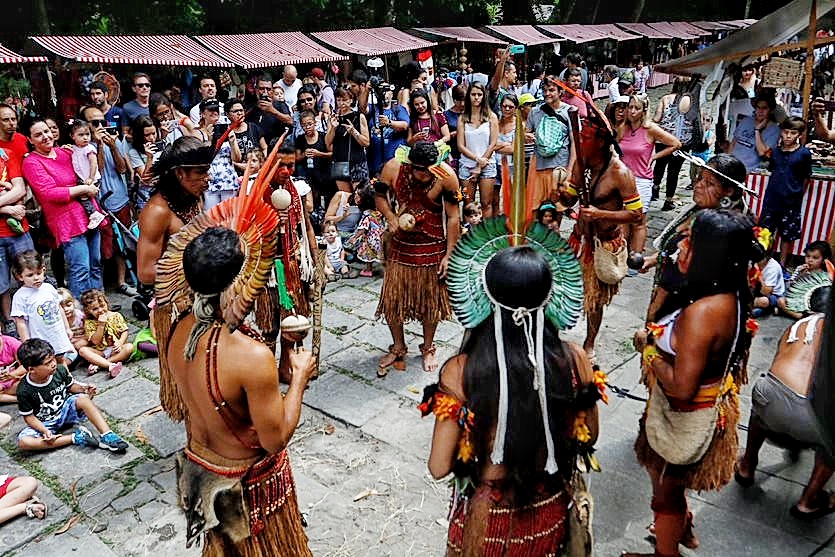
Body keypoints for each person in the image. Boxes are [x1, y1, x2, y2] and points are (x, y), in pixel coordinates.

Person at [423, 227, 599, 555]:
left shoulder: (461, 372)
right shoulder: (575, 360)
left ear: (484, 299)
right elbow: (588, 437)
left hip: (485, 524)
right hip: (548, 512)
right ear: (550, 296)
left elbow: (438, 466)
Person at [154, 204, 315, 554]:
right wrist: (299, 376)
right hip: (245, 483)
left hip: (201, 466)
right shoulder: (251, 357)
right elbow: (275, 440)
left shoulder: (178, 330)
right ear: (240, 281)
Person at [626, 209, 756, 557]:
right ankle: (681, 531)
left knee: (664, 493)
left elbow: (682, 387)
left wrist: (650, 349)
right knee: (668, 487)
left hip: (684, 414)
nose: (681, 247)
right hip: (686, 409)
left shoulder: (704, 313)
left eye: (691, 242)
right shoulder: (721, 293)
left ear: (711, 256)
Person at [736, 287, 834, 519]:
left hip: (771, 395)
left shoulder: (798, 325)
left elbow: (779, 361)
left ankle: (746, 466)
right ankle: (808, 501)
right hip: (812, 414)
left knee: (762, 404)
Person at [136, 136, 214, 421]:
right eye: (201, 173)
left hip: (203, 297)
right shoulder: (157, 212)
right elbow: (145, 272)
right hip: (175, 307)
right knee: (190, 384)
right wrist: (200, 269)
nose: (208, 178)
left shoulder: (194, 195)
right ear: (180, 174)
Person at [560, 110, 642, 359]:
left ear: (601, 142)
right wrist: (559, 194)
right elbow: (569, 198)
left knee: (594, 298)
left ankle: (589, 343)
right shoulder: (581, 164)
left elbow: (636, 215)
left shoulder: (620, 173)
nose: (581, 143)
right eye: (580, 137)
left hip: (603, 243)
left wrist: (600, 215)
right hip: (579, 239)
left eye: (585, 138)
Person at [375, 142, 460, 375]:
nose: (424, 174)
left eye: (428, 169)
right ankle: (399, 346)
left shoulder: (447, 175)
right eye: (419, 169)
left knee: (430, 301)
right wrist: (391, 216)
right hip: (400, 245)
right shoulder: (393, 167)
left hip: (432, 245)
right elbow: (379, 196)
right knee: (392, 299)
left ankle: (428, 346)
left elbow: (453, 217)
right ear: (410, 164)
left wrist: (449, 254)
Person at [644, 154, 749, 323]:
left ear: (728, 191)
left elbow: (675, 278)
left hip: (687, 315)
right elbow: (676, 251)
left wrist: (652, 319)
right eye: (700, 178)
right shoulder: (700, 211)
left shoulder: (719, 233)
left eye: (709, 183)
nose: (698, 185)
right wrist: (655, 259)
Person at [22, 119, 103, 298]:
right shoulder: (32, 163)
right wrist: (83, 189)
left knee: (96, 264)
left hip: (89, 214)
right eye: (38, 135)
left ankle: (100, 307)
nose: (45, 136)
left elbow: (86, 166)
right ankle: (80, 316)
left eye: (47, 131)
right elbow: (49, 193)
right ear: (30, 139)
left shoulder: (65, 152)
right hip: (66, 222)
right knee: (80, 268)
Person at [15, 338, 128, 453]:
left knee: (83, 399)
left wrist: (84, 389)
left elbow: (71, 386)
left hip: (65, 409)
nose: (53, 364)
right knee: (24, 442)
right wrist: (44, 431)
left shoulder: (59, 370)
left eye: (53, 359)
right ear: (31, 369)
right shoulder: (24, 389)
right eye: (47, 363)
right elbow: (29, 417)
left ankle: (107, 435)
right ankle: (76, 438)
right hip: (45, 422)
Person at [79, 105, 136, 297]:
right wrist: (100, 145)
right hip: (99, 203)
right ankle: (100, 288)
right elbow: (98, 170)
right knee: (104, 248)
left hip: (120, 199)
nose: (101, 126)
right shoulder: (82, 148)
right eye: (95, 123)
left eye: (103, 122)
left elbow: (121, 169)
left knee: (122, 244)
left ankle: (121, 281)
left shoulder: (115, 139)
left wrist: (112, 145)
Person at [618, 94, 681, 255]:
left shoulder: (650, 129)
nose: (632, 111)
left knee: (638, 220)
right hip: (622, 179)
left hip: (641, 180)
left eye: (636, 108)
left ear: (644, 110)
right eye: (630, 107)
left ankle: (636, 256)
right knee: (622, 219)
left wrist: (653, 157)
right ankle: (622, 255)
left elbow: (675, 143)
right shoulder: (622, 128)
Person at [759, 117, 812, 268]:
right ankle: (763, 264)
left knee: (786, 236)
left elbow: (806, 178)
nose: (788, 136)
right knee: (766, 234)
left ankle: (781, 265)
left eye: (793, 133)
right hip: (771, 200)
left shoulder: (804, 154)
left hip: (791, 202)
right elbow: (772, 170)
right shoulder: (775, 152)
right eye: (785, 132)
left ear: (799, 135)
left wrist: (797, 195)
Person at [10, 251, 76, 362]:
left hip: (56, 334)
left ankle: (67, 378)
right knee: (46, 362)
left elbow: (59, 308)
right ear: (20, 276)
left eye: (38, 273)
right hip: (40, 338)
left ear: (44, 270)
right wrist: (27, 343)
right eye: (30, 275)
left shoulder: (49, 288)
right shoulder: (20, 296)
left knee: (60, 359)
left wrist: (67, 328)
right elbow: (20, 322)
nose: (36, 278)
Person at [0, 115, 33, 336]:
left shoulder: (7, 155)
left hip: (18, 229)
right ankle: (10, 319)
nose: (11, 122)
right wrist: (6, 209)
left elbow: (20, 189)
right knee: (1, 283)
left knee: (29, 270)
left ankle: (31, 312)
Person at [526, 77, 575, 224]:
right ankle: (536, 242)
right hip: (539, 167)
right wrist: (526, 136)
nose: (547, 93)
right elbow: (525, 133)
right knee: (535, 209)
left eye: (552, 90)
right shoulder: (535, 112)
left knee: (557, 210)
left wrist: (570, 170)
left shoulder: (570, 112)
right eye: (545, 90)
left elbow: (575, 143)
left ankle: (554, 242)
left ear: (561, 92)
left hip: (559, 168)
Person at [458, 82, 499, 218]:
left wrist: (480, 165)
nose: (476, 97)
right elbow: (460, 145)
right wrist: (477, 160)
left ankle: (486, 236)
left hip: (487, 164)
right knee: (468, 204)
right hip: (467, 165)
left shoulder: (491, 117)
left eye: (479, 94)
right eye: (473, 94)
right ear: (468, 96)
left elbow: (493, 143)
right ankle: (469, 235)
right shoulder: (462, 118)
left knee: (486, 203)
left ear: (484, 96)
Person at [78, 289, 132, 378]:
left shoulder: (116, 315)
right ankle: (109, 365)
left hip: (116, 349)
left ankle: (100, 364)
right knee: (83, 350)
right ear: (88, 311)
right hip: (100, 351)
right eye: (95, 309)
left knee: (129, 347)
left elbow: (124, 331)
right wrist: (101, 325)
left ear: (107, 303)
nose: (100, 310)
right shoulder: (89, 323)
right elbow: (95, 341)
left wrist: (120, 342)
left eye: (102, 306)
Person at [325, 87, 370, 193]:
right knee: (345, 197)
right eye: (339, 100)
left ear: (351, 100)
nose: (341, 103)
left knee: (361, 196)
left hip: (357, 162)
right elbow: (327, 144)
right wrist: (333, 128)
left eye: (344, 100)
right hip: (340, 161)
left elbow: (366, 142)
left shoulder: (359, 116)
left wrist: (354, 131)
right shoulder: (333, 118)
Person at [201, 100, 242, 211]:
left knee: (228, 216)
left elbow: (237, 159)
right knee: (211, 217)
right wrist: (209, 139)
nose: (214, 113)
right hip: (210, 180)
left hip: (228, 179)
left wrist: (233, 142)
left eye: (216, 110)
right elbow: (203, 159)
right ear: (203, 114)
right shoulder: (198, 133)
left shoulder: (225, 129)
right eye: (210, 110)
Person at [68, 121, 107, 230]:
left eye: (87, 134)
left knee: (83, 197)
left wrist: (91, 177)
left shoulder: (89, 148)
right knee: (90, 198)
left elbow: (94, 163)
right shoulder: (74, 148)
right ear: (72, 136)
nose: (85, 138)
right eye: (81, 135)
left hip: (91, 179)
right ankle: (98, 211)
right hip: (83, 179)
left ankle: (94, 214)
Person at [731, 91, 781, 172]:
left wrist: (757, 130)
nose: (760, 111)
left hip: (749, 171)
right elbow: (733, 143)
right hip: (732, 165)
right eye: (758, 107)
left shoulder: (774, 130)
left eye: (764, 108)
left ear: (770, 110)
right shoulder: (746, 120)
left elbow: (762, 152)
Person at [367, 84, 410, 176]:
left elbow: (405, 125)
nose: (384, 93)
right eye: (381, 90)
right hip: (375, 161)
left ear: (392, 93)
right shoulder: (372, 108)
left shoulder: (398, 109)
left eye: (386, 90)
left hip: (395, 160)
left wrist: (389, 123)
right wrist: (367, 89)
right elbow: (362, 108)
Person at [295, 109, 333, 208]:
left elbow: (333, 154)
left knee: (328, 199)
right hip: (309, 175)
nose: (307, 127)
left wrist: (319, 154)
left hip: (324, 174)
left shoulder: (323, 136)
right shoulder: (300, 139)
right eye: (304, 125)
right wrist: (304, 155)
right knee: (313, 201)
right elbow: (297, 158)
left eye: (309, 124)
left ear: (315, 123)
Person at [345, 185, 384, 277]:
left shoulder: (367, 214)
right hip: (379, 236)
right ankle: (384, 269)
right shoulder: (377, 212)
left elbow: (363, 228)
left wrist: (354, 237)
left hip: (371, 238)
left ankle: (368, 269)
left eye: (358, 196)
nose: (355, 197)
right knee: (380, 253)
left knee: (368, 252)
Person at [127, 115, 163, 211]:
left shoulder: (162, 145)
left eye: (153, 133)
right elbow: (146, 178)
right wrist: (149, 157)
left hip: (163, 193)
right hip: (147, 197)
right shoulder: (134, 152)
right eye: (147, 135)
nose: (151, 138)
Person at [247, 74, 292, 149]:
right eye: (261, 89)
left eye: (268, 89)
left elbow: (290, 121)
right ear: (256, 90)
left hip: (275, 147)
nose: (265, 92)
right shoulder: (250, 107)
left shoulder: (280, 105)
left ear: (272, 90)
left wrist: (273, 111)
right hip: (255, 150)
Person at [752, 249, 786, 318]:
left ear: (767, 258)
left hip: (772, 295)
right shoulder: (752, 262)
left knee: (764, 302)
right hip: (756, 290)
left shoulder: (773, 267)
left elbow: (766, 292)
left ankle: (767, 308)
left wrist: (758, 275)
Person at [443, 85, 467, 171]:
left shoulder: (471, 114)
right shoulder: (446, 115)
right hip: (453, 151)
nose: (462, 104)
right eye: (458, 100)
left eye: (464, 100)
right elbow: (442, 137)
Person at [488, 48, 517, 116]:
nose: (516, 75)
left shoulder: (512, 93)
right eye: (514, 72)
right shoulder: (496, 89)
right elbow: (496, 79)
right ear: (506, 73)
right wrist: (503, 60)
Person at [58, 287, 87, 354]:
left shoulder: (81, 316)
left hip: (83, 339)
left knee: (78, 345)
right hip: (69, 343)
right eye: (61, 307)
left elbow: (89, 334)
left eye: (68, 305)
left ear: (73, 303)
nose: (65, 309)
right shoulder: (59, 320)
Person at [0, 333, 23, 404]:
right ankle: (18, 399)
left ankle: (5, 396)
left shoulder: (11, 342)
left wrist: (12, 374)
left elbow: (26, 365)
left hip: (15, 380)